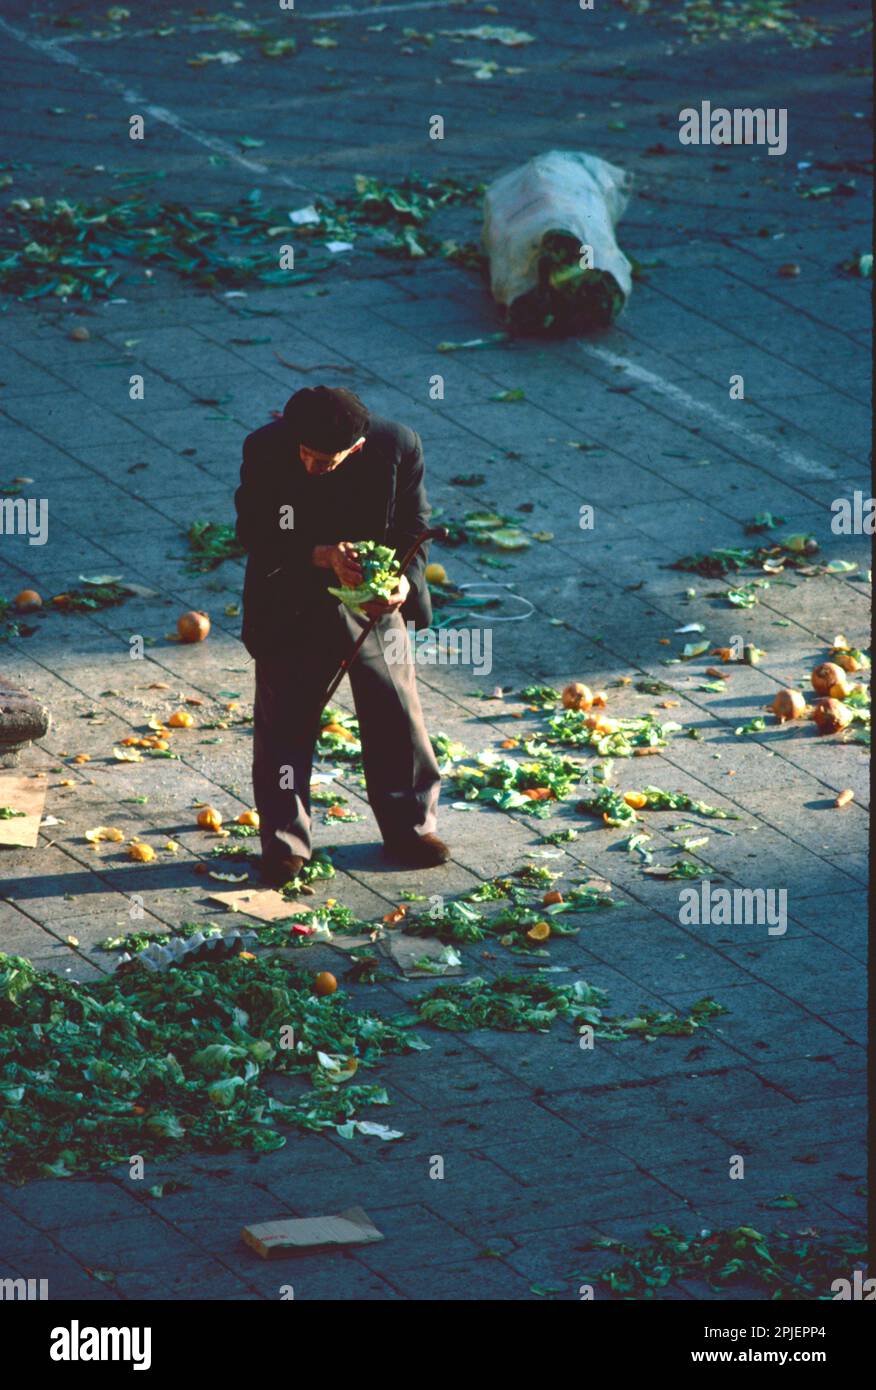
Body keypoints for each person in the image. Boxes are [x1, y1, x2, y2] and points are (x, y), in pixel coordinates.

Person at [235, 384, 448, 886]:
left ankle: (411, 827)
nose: (313, 466)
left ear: (356, 448)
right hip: (290, 595)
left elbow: (414, 529)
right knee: (285, 719)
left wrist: (399, 582)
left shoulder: (397, 446)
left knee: (396, 710)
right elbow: (255, 532)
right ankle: (285, 841)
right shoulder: (266, 448)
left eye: (325, 460)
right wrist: (323, 554)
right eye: (306, 455)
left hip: (373, 598)